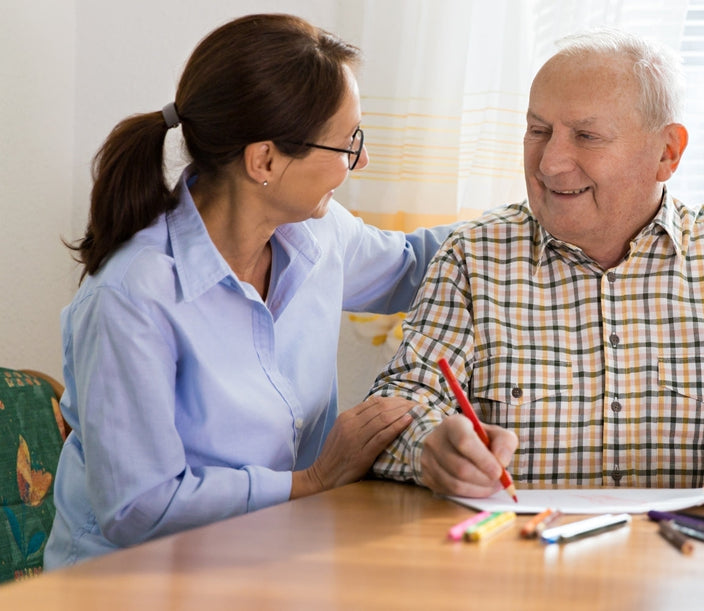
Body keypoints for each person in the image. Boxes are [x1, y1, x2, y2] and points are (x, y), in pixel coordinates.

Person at [369, 29, 704, 508]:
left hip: (693, 563)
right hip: (514, 560)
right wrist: (428, 447)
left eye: (586, 136)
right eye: (539, 131)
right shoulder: (470, 258)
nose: (549, 163)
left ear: (667, 153)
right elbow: (394, 414)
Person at [45, 14, 453, 568]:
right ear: (264, 160)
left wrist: (534, 212)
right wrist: (312, 480)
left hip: (269, 562)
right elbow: (139, 506)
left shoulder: (316, 233)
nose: (359, 160)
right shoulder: (132, 295)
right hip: (133, 582)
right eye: (346, 143)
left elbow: (416, 266)